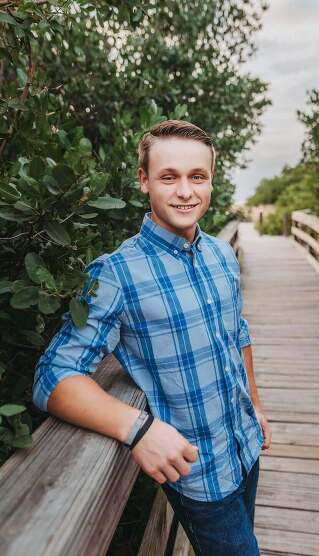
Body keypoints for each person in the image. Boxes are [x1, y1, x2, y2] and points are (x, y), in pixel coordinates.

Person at [33, 120, 272, 554]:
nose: (185, 191)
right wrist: (138, 429)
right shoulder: (115, 274)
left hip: (245, 443)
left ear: (211, 181)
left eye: (197, 176)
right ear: (144, 181)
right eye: (169, 176)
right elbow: (54, 375)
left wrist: (254, 404)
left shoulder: (221, 254)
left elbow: (238, 333)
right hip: (199, 473)